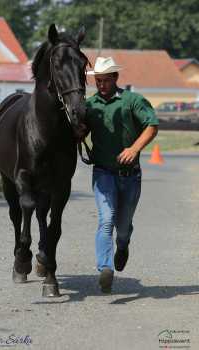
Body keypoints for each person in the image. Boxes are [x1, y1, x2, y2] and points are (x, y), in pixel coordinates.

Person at [85, 57, 159, 293]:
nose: (102, 85)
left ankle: (123, 245)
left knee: (123, 226)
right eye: (98, 81)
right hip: (102, 173)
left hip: (130, 176)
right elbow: (79, 130)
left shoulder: (133, 100)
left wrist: (134, 148)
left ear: (116, 78)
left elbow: (152, 125)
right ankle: (105, 268)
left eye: (106, 80)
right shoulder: (90, 105)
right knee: (106, 219)